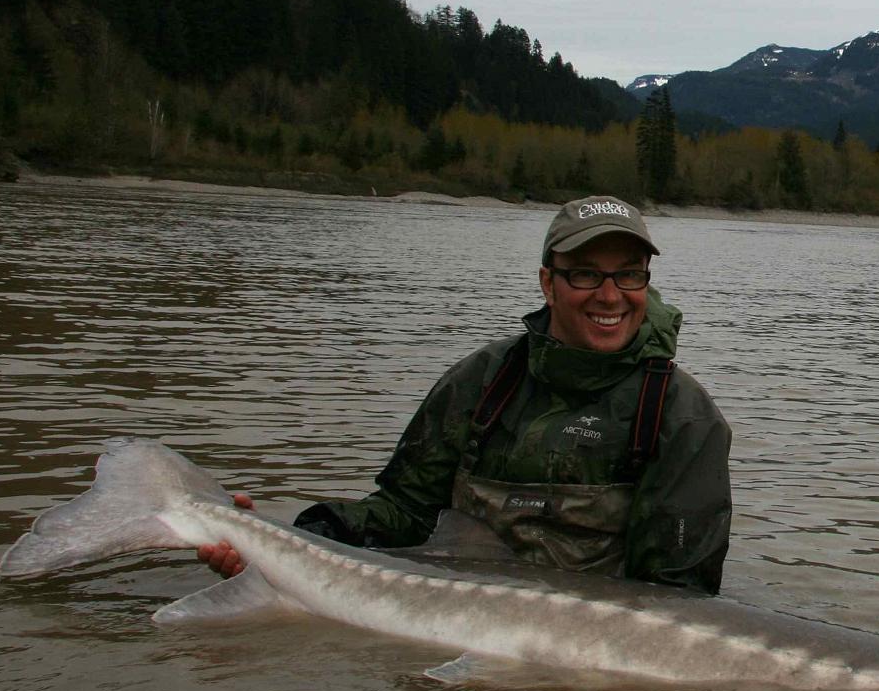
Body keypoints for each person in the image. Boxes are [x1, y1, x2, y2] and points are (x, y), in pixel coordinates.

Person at [199, 195, 732, 593]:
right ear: (548, 283)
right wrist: (297, 538)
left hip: (578, 636)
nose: (611, 296)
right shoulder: (482, 380)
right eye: (587, 274)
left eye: (629, 275)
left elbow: (676, 595)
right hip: (449, 609)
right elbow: (405, 514)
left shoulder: (682, 416)